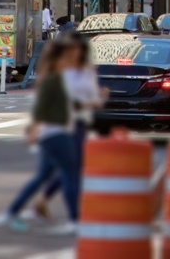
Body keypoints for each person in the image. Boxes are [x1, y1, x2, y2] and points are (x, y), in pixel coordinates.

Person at [7, 39, 80, 229]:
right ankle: (75, 219)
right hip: (57, 134)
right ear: (57, 60)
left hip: (53, 134)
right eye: (65, 58)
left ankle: (14, 211)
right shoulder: (53, 79)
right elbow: (41, 108)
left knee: (43, 176)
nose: (69, 61)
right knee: (70, 175)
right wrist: (33, 129)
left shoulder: (57, 78)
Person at [32, 35, 105, 220]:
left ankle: (45, 199)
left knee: (72, 167)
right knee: (71, 168)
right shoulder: (61, 71)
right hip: (63, 124)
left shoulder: (87, 71)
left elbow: (92, 95)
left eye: (77, 49)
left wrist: (97, 99)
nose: (74, 52)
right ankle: (74, 213)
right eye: (70, 49)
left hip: (80, 123)